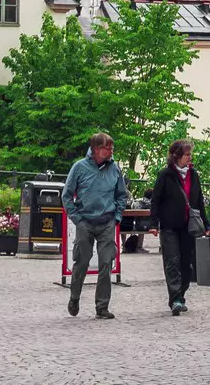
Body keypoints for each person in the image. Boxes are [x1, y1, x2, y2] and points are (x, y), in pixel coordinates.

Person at [62, 132, 128, 319]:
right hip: (85, 221)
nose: (111, 151)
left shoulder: (115, 169)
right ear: (98, 149)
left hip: (107, 221)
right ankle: (74, 297)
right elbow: (66, 195)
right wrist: (76, 219)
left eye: (111, 148)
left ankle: (102, 306)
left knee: (106, 263)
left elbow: (121, 195)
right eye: (108, 148)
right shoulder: (79, 167)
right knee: (81, 262)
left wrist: (117, 216)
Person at [148, 139, 205, 315]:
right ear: (177, 156)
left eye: (190, 154)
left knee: (187, 266)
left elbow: (199, 200)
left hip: (188, 227)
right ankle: (175, 299)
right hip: (169, 226)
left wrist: (206, 222)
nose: (190, 157)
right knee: (172, 263)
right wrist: (153, 223)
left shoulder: (193, 174)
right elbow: (155, 200)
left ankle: (181, 294)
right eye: (187, 154)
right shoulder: (165, 175)